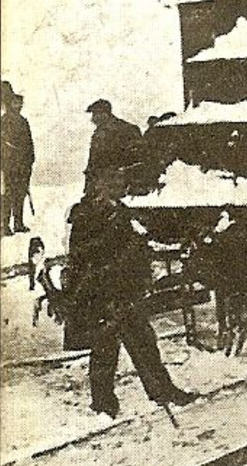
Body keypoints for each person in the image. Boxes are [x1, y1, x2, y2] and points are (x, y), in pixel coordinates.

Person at [65, 171, 196, 417]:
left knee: (144, 342)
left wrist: (139, 253)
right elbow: (81, 255)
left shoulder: (122, 212)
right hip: (101, 295)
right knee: (105, 350)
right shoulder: (85, 215)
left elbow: (132, 250)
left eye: (123, 183)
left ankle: (162, 391)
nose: (122, 187)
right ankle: (103, 403)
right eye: (115, 183)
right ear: (99, 187)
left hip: (125, 292)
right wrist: (118, 246)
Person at [83, 99, 144, 197]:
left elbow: (138, 157)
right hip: (101, 186)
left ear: (104, 114)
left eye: (96, 114)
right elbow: (92, 163)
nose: (93, 118)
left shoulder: (126, 129)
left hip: (119, 185)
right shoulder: (98, 134)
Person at [1, 82, 36, 235]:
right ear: (10, 104)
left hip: (23, 166)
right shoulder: (4, 121)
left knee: (19, 195)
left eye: (20, 103)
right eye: (16, 103)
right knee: (7, 196)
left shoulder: (23, 121)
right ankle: (5, 225)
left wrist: (30, 161)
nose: (19, 106)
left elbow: (29, 143)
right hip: (9, 166)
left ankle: (18, 223)